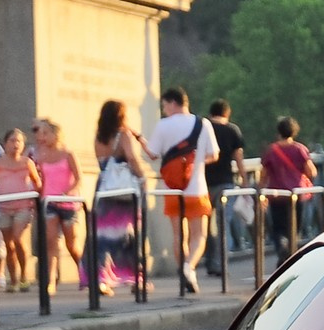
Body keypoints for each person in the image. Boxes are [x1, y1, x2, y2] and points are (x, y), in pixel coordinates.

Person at [142, 86, 219, 294]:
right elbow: (214, 154)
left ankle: (182, 268)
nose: (164, 109)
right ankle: (189, 267)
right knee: (199, 235)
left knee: (178, 235)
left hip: (172, 189)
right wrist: (196, 162)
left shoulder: (163, 125)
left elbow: (152, 154)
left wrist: (140, 140)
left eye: (165, 105)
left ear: (173, 102)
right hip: (197, 188)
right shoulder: (203, 124)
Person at [92, 100, 149, 297]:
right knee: (131, 236)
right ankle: (136, 279)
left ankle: (102, 279)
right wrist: (143, 178)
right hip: (125, 193)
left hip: (105, 190)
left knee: (104, 238)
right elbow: (132, 158)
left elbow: (102, 165)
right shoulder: (123, 135)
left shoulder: (99, 138)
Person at [0, 128, 43, 292]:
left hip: (23, 207)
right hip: (4, 207)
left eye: (19, 141)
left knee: (17, 238)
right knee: (9, 244)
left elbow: (37, 183)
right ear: (5, 143)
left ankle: (24, 276)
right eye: (12, 141)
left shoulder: (27, 162)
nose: (16, 144)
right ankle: (13, 279)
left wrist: (34, 198)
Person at [33, 117, 85, 292]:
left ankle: (84, 273)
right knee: (51, 241)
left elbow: (79, 178)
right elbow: (37, 178)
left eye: (46, 133)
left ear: (56, 135)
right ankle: (50, 280)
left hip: (68, 203)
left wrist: (70, 191)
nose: (43, 137)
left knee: (72, 244)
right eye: (41, 133)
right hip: (49, 201)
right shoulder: (41, 155)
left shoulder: (68, 154)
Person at [260, 115, 317, 269]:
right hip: (297, 194)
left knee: (278, 228)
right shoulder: (300, 149)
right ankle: (291, 256)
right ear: (294, 131)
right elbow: (311, 171)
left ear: (278, 131)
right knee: (295, 227)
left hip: (276, 194)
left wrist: (260, 192)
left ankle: (282, 249)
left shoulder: (271, 150)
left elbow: (263, 174)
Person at [203, 98, 248, 278]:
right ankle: (222, 264)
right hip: (226, 183)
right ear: (227, 113)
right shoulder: (232, 130)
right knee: (224, 224)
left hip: (203, 183)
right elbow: (238, 158)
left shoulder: (203, 128)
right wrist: (244, 181)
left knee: (205, 225)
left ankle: (210, 262)